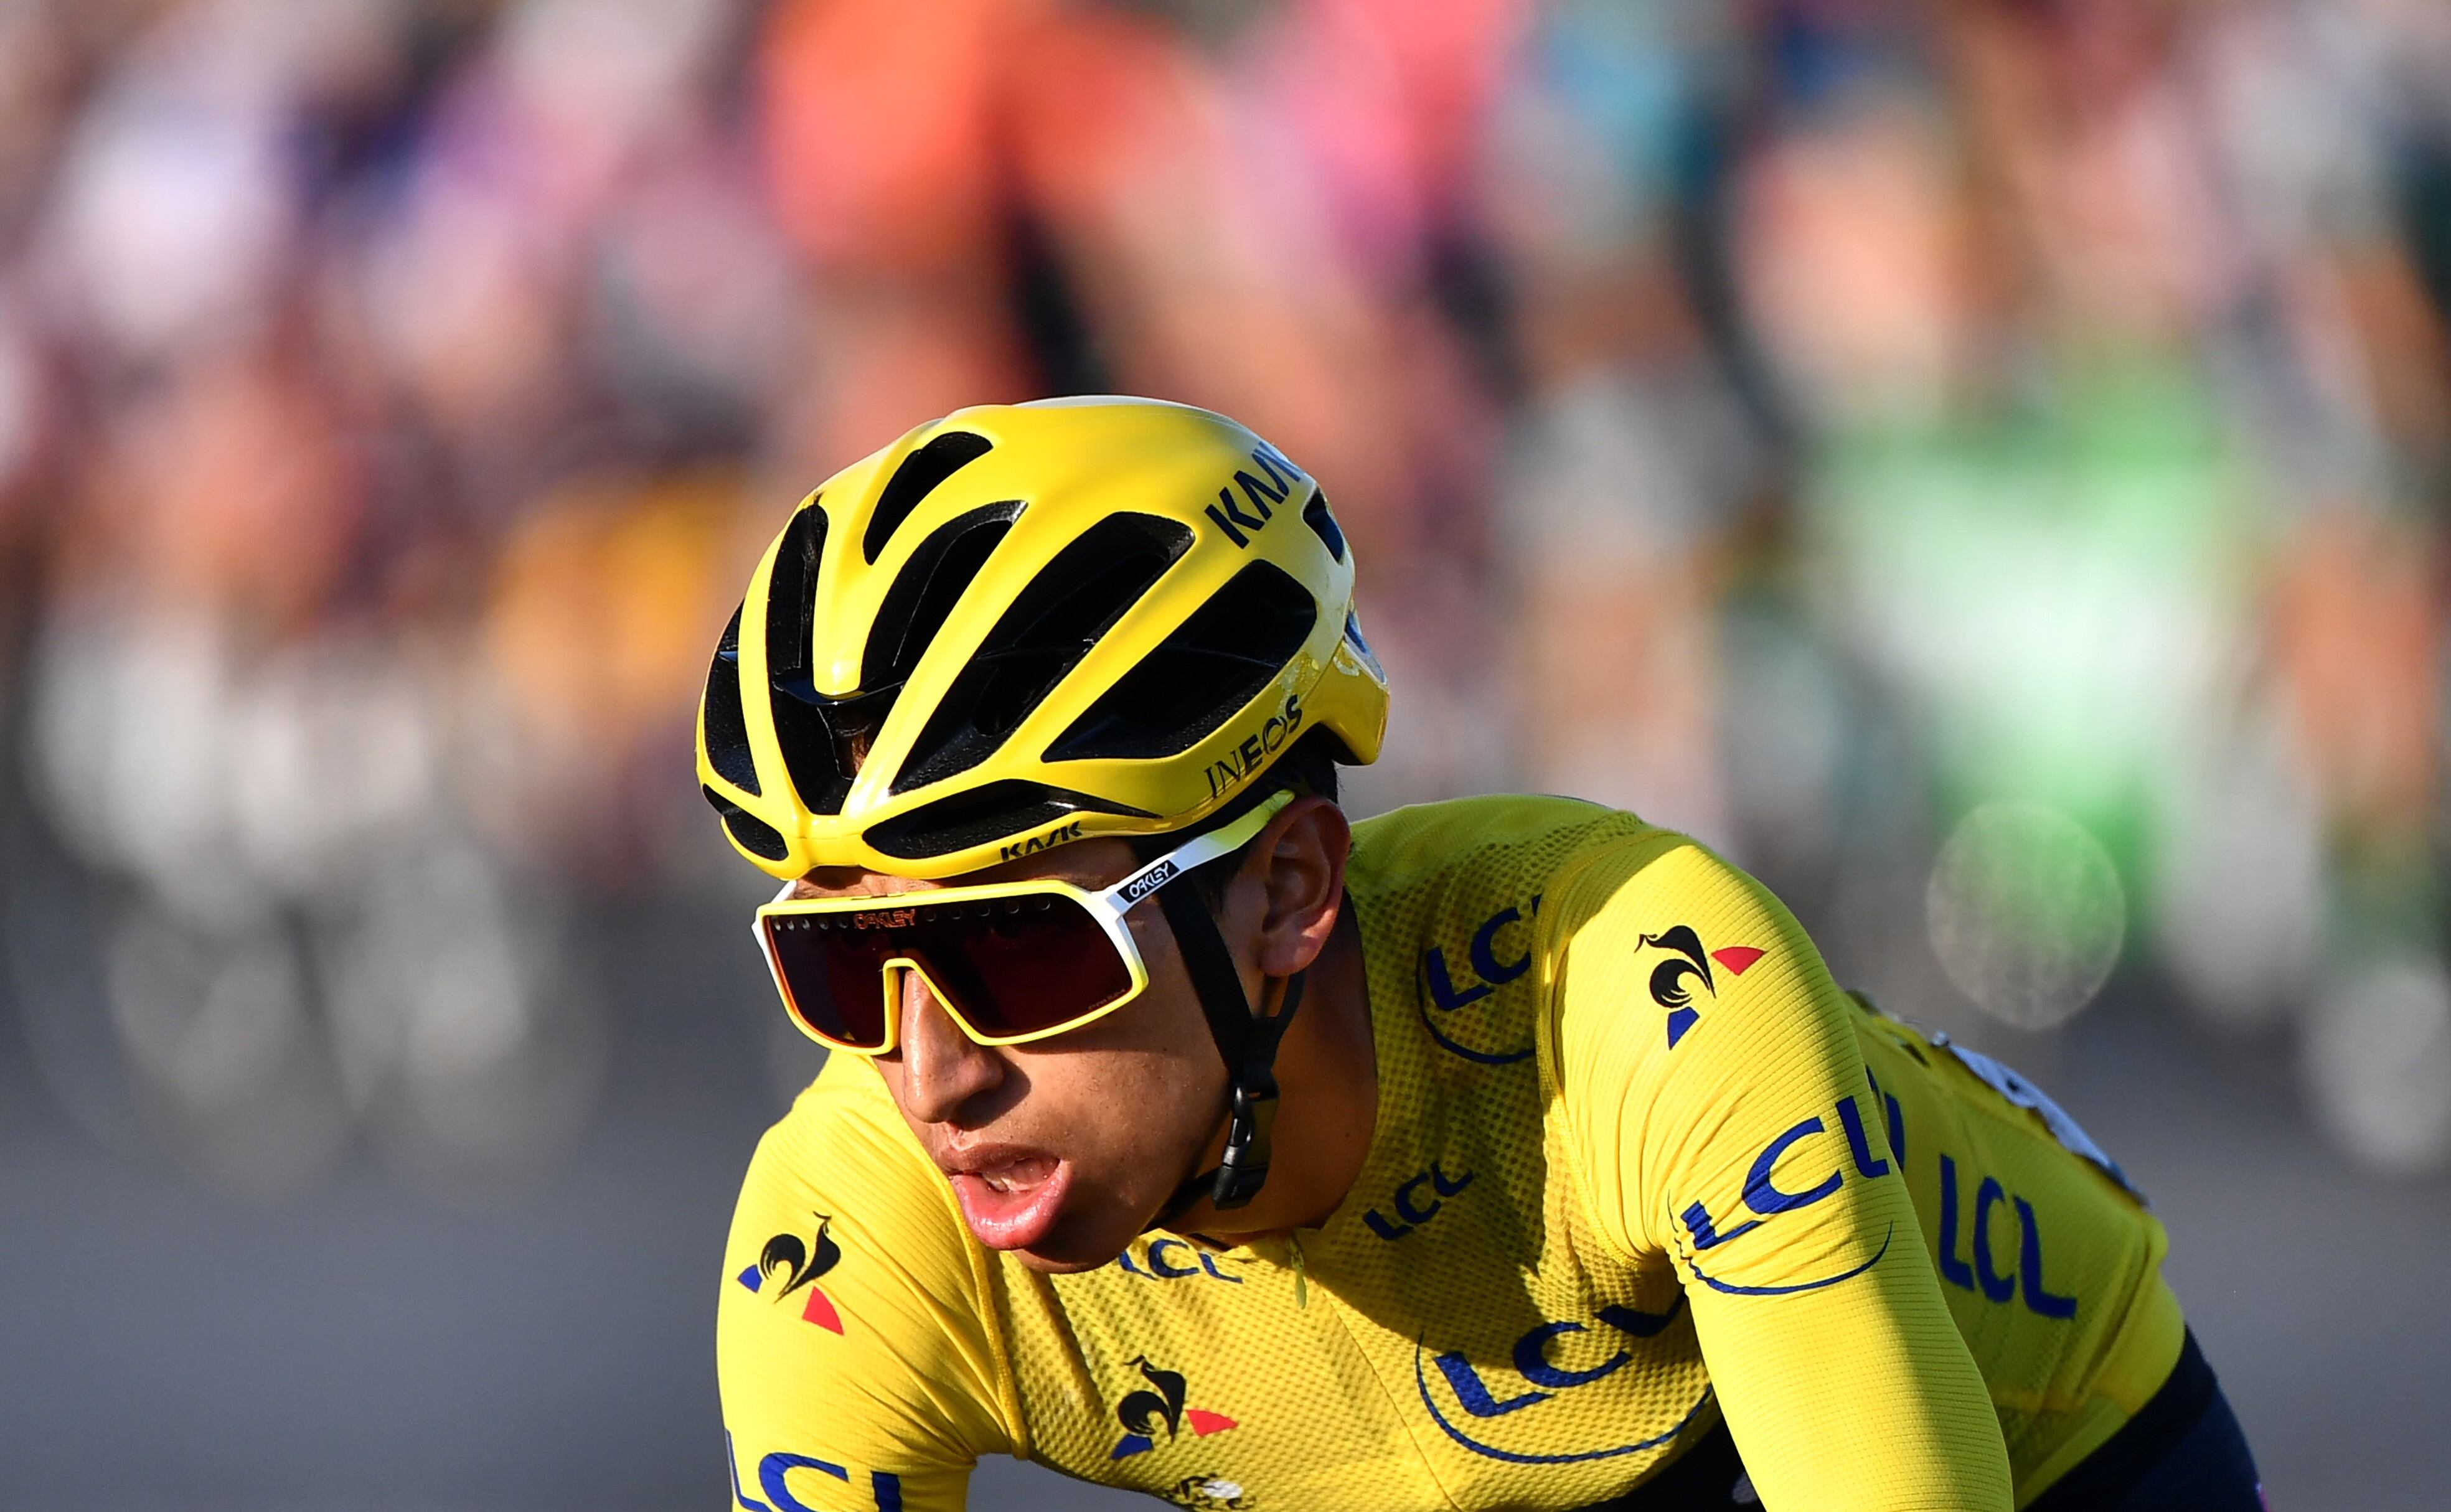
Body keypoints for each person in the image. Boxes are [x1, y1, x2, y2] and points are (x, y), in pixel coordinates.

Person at [703, 398, 2262, 1511]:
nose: (931, 1070)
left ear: (1286, 892)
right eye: (843, 968)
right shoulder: (849, 1239)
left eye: (1019, 954)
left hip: (2044, 1446)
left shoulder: (1639, 986)